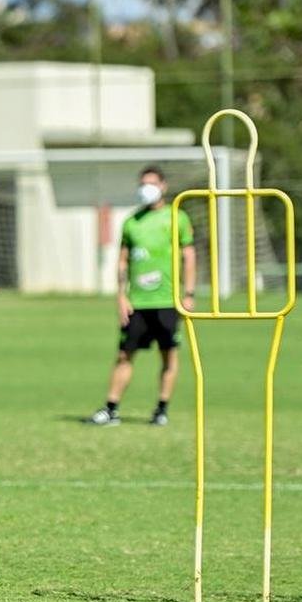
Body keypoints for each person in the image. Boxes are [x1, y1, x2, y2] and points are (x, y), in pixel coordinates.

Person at [89, 165, 195, 426]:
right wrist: (121, 296)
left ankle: (161, 409)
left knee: (168, 354)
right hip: (138, 302)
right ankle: (111, 408)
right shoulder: (132, 222)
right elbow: (122, 261)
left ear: (163, 186)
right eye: (142, 183)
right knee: (124, 354)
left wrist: (188, 293)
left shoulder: (177, 218)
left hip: (167, 300)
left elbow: (189, 255)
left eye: (151, 183)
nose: (145, 188)